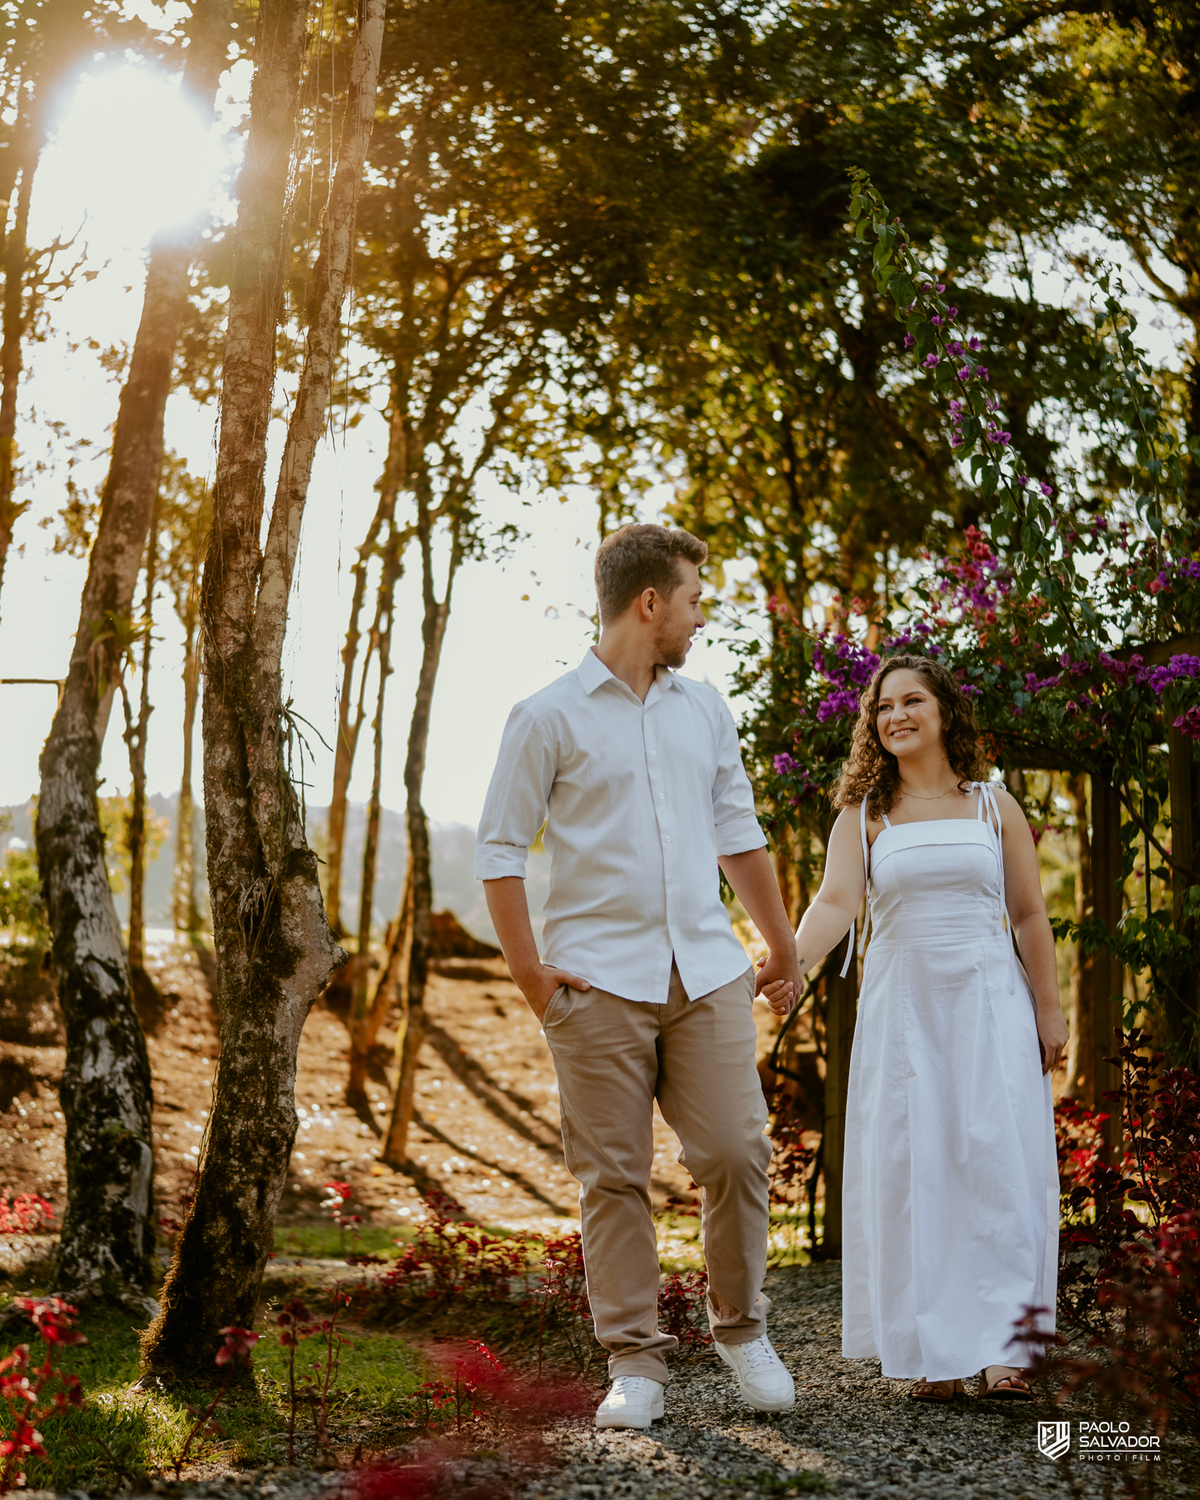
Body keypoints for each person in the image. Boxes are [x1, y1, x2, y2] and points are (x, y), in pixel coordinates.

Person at [475, 522, 801, 1430]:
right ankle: (636, 1362)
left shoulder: (705, 709)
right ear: (650, 603)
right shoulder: (547, 715)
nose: (700, 618)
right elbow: (499, 852)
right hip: (597, 988)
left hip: (706, 975)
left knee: (737, 1153)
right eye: (693, 600)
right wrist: (535, 980)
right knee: (612, 1176)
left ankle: (741, 1330)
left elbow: (740, 833)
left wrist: (781, 947)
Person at [761, 654, 1067, 1401]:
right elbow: (836, 905)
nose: (895, 715)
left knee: (996, 1164)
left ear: (943, 712)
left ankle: (1006, 1353)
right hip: (903, 1011)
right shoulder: (865, 815)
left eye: (912, 701)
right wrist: (786, 961)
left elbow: (1028, 915)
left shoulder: (996, 806)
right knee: (917, 1166)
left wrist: (1050, 1008)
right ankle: (931, 1352)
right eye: (883, 706)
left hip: (990, 1001)